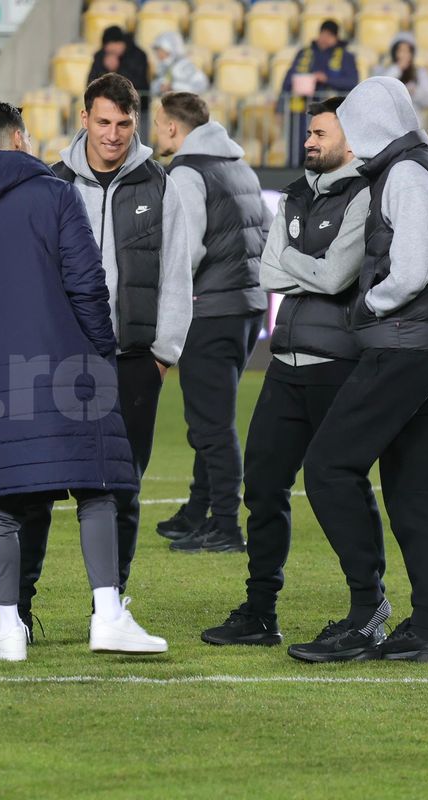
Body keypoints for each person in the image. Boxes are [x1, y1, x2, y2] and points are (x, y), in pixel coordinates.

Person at [0, 102, 168, 662]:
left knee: (3, 500)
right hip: (71, 366)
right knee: (97, 487)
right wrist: (99, 350)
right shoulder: (56, 195)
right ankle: (108, 616)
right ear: (17, 140)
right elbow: (88, 284)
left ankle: (10, 629)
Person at [291, 77, 428, 664]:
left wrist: (371, 304)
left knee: (327, 467)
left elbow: (412, 269)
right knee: (412, 490)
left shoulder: (406, 174)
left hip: (403, 345)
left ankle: (367, 612)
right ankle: (424, 630)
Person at [16, 73, 192, 633]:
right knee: (37, 485)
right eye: (103, 121)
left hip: (133, 363)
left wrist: (161, 356)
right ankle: (17, 610)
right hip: (59, 363)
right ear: (84, 119)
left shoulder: (161, 185)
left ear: (135, 124)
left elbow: (177, 275)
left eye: (122, 124)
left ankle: (109, 609)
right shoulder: (51, 183)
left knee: (121, 489)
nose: (112, 135)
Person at [201, 97, 374, 647]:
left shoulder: (367, 194)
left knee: (340, 490)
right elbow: (269, 272)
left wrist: (303, 268)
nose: (309, 142)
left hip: (338, 366)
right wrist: (311, 270)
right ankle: (260, 612)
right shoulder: (295, 195)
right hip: (284, 364)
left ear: (349, 140)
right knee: (264, 487)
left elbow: (338, 276)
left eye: (320, 133)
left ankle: (368, 606)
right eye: (309, 134)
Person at [153, 92, 270, 554]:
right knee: (210, 417)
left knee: (211, 423)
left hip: (210, 307)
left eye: (158, 123)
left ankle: (225, 523)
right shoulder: (237, 165)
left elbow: (188, 248)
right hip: (245, 304)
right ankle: (198, 510)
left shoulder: (187, 172)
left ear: (172, 127)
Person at [280, 21, 358, 166]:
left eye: (329, 35)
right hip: (300, 111)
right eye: (323, 34)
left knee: (323, 152)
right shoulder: (304, 53)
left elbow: (352, 82)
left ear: (336, 38)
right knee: (297, 149)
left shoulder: (346, 56)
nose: (325, 38)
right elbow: (288, 79)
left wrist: (326, 79)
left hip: (329, 114)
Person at [88, 26, 150, 106]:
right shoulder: (100, 56)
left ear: (121, 43)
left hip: (132, 104)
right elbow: (91, 82)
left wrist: (117, 70)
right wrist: (106, 70)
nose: (111, 51)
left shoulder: (138, 55)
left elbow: (140, 83)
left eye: (114, 48)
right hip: (105, 103)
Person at [378, 33, 428, 114]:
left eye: (407, 51)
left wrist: (415, 92)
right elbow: (379, 91)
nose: (404, 55)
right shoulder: (385, 70)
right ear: (394, 53)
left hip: (415, 117)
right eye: (400, 51)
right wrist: (397, 69)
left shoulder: (420, 73)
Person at [149, 32, 208, 97]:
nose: (158, 53)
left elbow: (200, 87)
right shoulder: (162, 67)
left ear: (169, 49)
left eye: (160, 50)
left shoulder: (186, 66)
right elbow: (153, 87)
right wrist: (160, 87)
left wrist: (173, 86)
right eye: (157, 50)